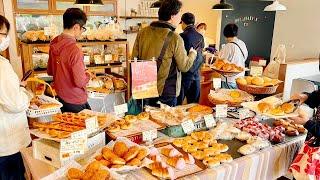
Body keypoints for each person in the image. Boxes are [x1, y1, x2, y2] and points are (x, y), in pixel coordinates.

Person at [132, 0, 197, 107]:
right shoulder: (175, 38)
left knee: (145, 121)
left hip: (144, 87)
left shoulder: (142, 32)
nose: (180, 19)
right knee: (165, 122)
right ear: (172, 16)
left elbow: (134, 58)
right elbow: (184, 66)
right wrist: (192, 54)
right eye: (179, 13)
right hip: (166, 91)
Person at [0, 15, 32, 180]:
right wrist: (24, 92)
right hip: (8, 144)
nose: (6, 38)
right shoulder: (2, 66)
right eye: (4, 34)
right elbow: (15, 104)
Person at [47, 8, 92, 113]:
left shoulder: (54, 42)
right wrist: (88, 75)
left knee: (69, 126)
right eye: (83, 28)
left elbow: (50, 71)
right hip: (75, 98)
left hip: (61, 96)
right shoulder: (75, 49)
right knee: (91, 126)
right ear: (76, 27)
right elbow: (80, 82)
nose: (82, 31)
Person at [177, 12, 205, 105]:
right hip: (196, 75)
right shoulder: (200, 37)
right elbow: (201, 55)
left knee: (178, 105)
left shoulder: (181, 36)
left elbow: (179, 57)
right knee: (193, 105)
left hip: (184, 76)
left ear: (183, 23)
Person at [219, 23, 248, 89]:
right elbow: (245, 57)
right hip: (240, 78)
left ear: (225, 33)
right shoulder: (242, 43)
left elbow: (221, 61)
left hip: (229, 79)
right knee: (236, 97)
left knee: (227, 98)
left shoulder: (228, 46)